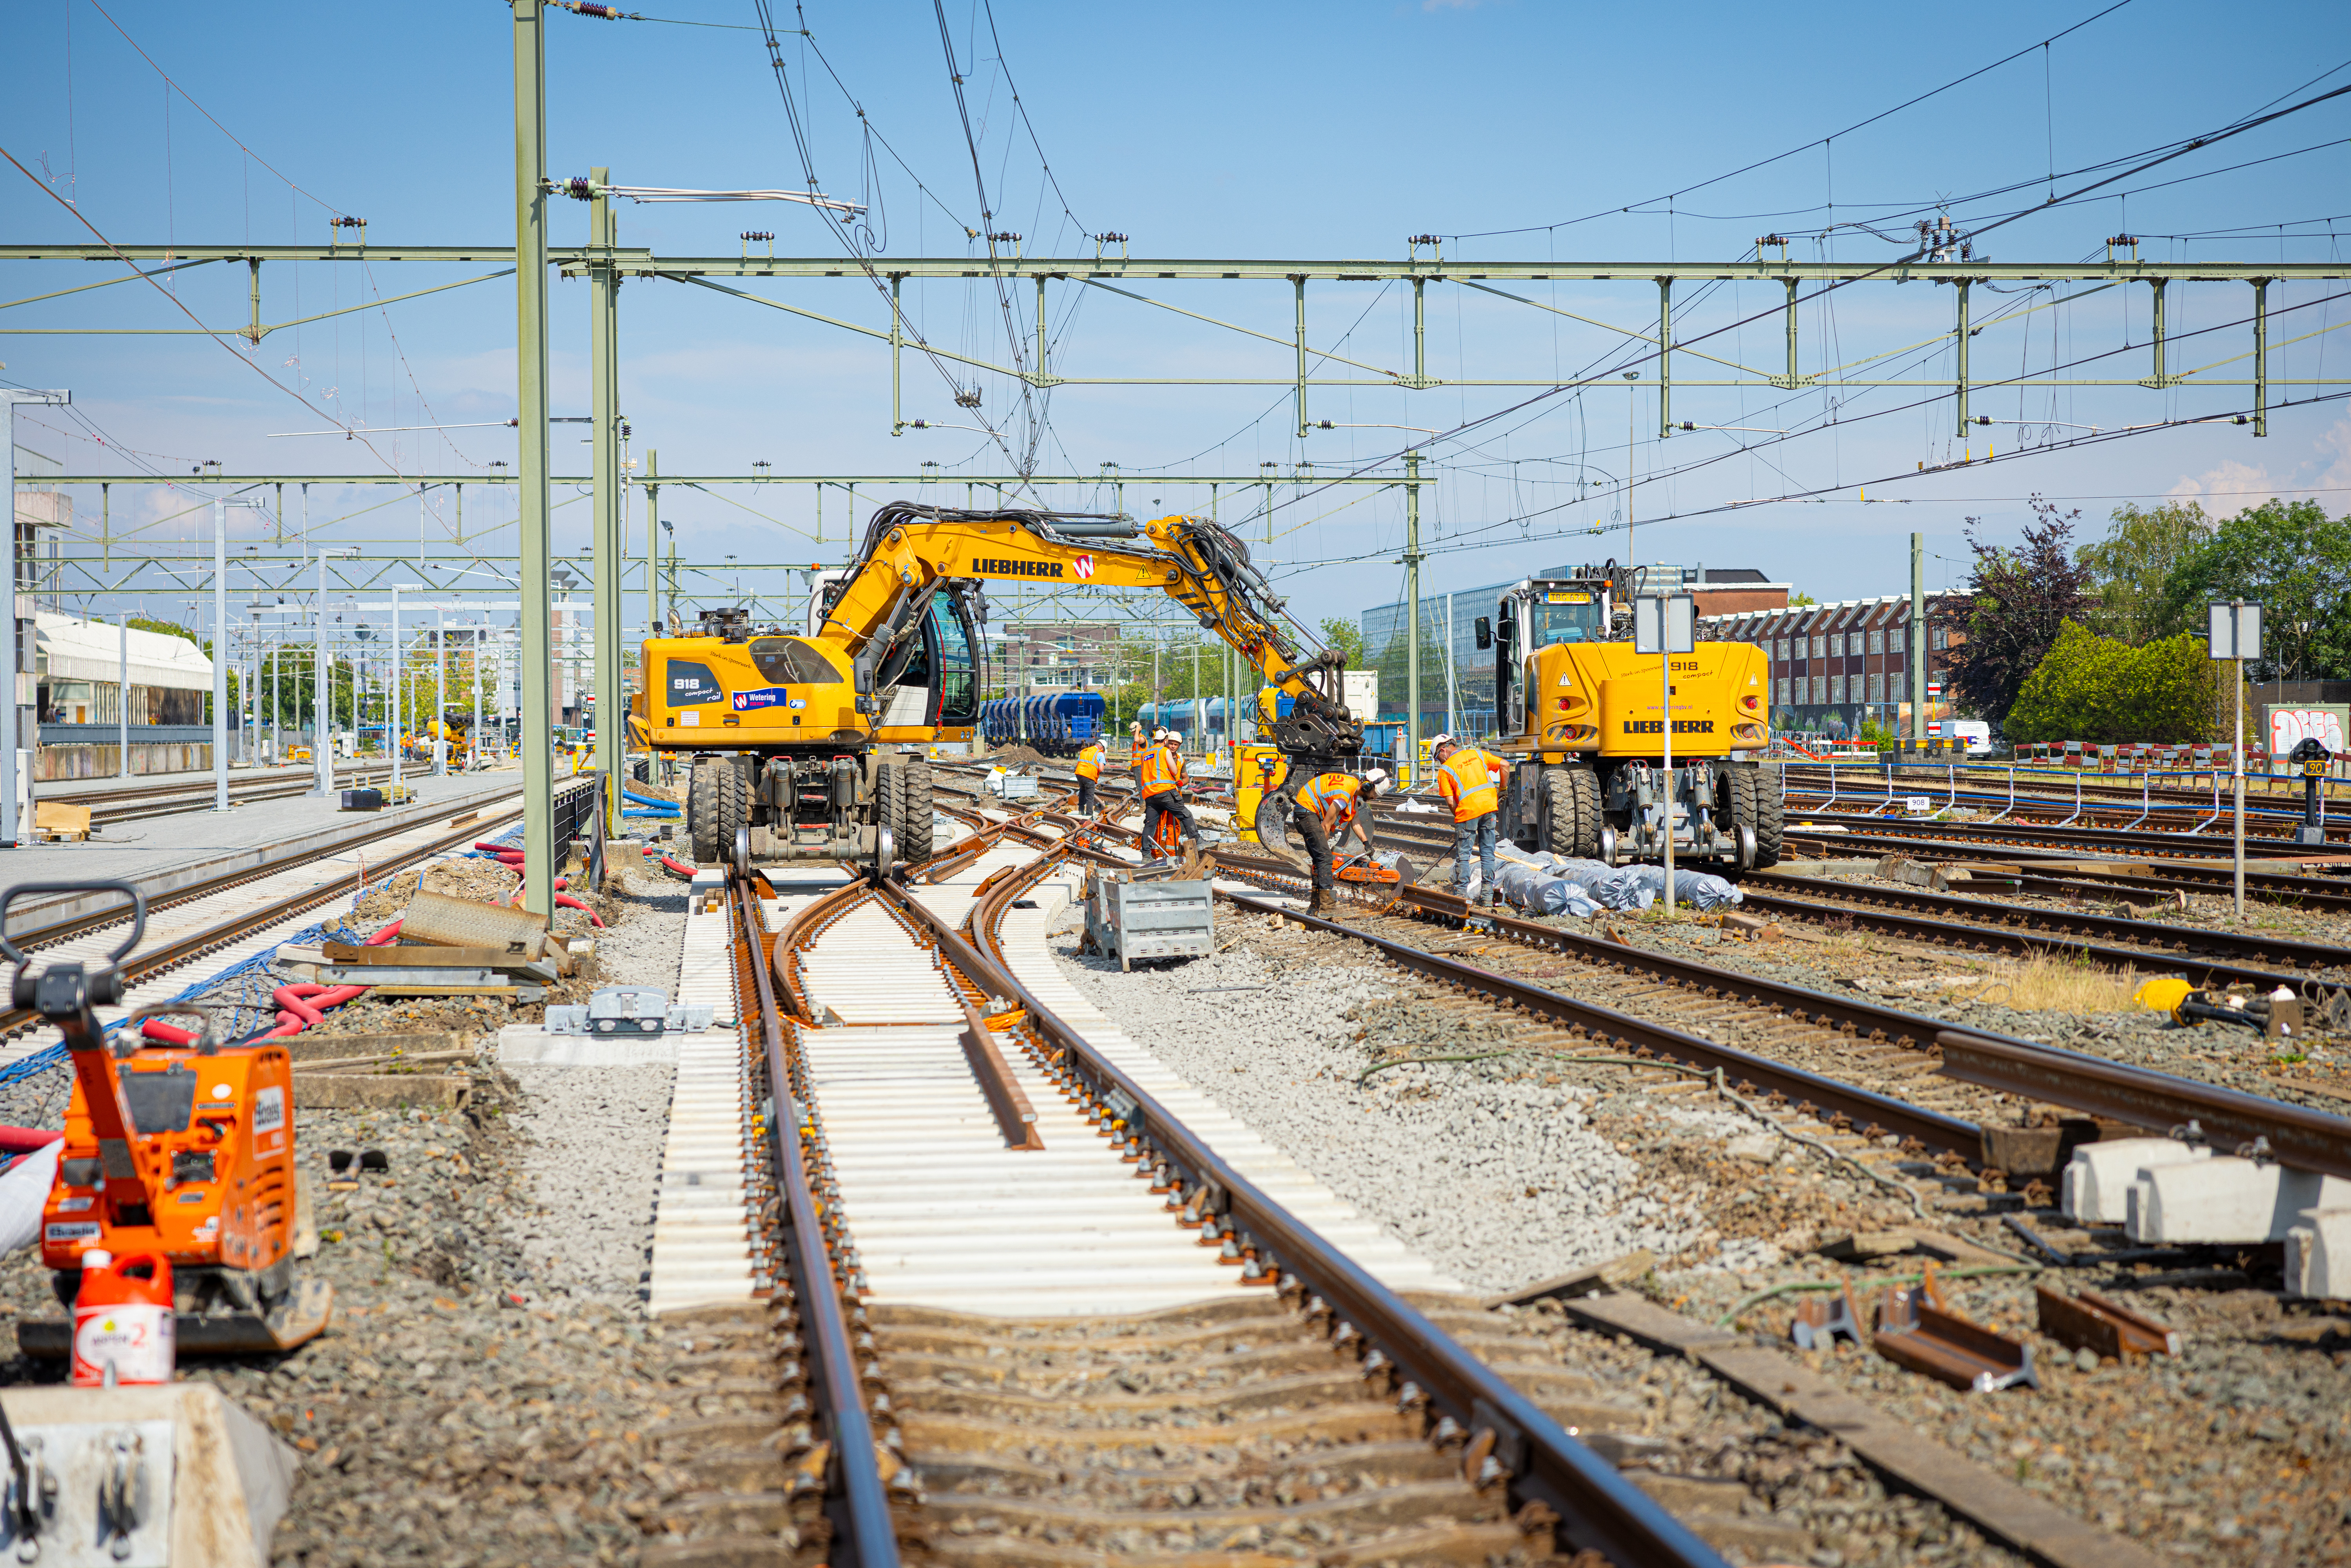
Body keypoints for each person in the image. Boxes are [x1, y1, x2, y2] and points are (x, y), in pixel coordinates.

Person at [1291, 767, 1388, 914]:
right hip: (1306, 812)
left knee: (1321, 860)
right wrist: (1322, 852)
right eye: (1375, 794)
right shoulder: (1344, 795)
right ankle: (1328, 908)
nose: (1374, 798)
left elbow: (1355, 819)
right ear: (1367, 786)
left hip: (1307, 811)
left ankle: (1315, 907)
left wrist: (1366, 843)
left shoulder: (1353, 788)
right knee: (1324, 858)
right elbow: (1326, 825)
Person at [1433, 733, 1508, 907]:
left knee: (1464, 857)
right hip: (1490, 809)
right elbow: (1505, 765)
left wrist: (1460, 819)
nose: (1440, 763)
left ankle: (1461, 897)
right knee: (1488, 855)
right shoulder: (1478, 754)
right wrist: (1503, 790)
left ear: (1443, 750)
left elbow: (1451, 802)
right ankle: (1488, 897)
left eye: (1439, 759)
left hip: (1467, 813)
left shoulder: (1445, 770)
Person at [1136, 726, 1200, 852]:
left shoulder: (1179, 759)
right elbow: (1172, 771)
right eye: (1171, 743)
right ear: (1166, 741)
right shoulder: (1162, 753)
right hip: (1166, 793)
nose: (1173, 746)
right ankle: (1155, 854)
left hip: (1162, 794)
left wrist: (1183, 782)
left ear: (1179, 745)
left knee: (1172, 826)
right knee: (1160, 825)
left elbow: (1185, 777)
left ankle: (1169, 853)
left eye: (1176, 745)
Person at [1074, 733, 1108, 814]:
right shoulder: (1100, 753)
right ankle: (1089, 814)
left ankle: (1081, 810)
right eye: (1103, 750)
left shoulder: (1084, 751)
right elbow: (1101, 769)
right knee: (1090, 795)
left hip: (1079, 774)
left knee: (1082, 790)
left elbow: (1078, 764)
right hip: (1089, 775)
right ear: (1102, 747)